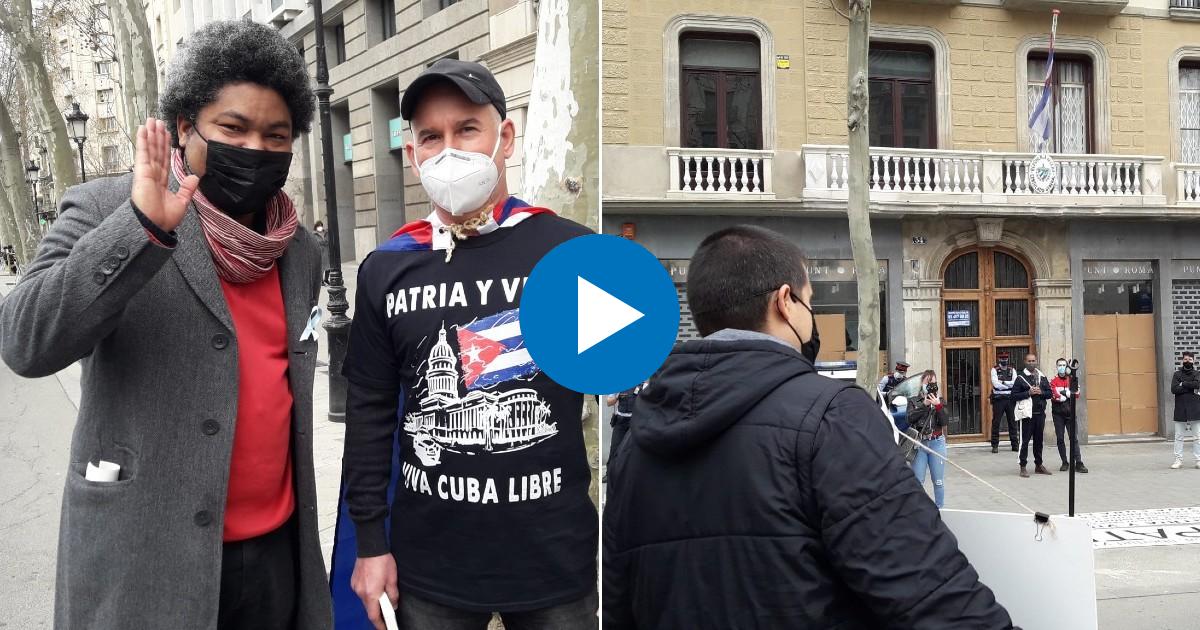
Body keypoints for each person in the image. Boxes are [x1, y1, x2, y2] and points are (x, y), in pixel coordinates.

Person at [0, 20, 331, 630]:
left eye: (275, 135)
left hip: (274, 561)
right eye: (233, 128)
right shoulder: (106, 206)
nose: (255, 149)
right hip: (145, 559)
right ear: (185, 127)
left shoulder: (299, 251)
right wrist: (140, 229)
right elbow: (24, 340)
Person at [602, 225, 1014, 629]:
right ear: (785, 301)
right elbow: (928, 589)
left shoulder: (636, 441)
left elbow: (617, 600)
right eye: (810, 299)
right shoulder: (833, 415)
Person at [338, 59, 597, 630]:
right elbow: (369, 415)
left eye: (467, 129)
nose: (448, 149)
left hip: (556, 564)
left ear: (504, 137)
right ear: (412, 155)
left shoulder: (572, 253)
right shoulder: (387, 268)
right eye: (431, 136)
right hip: (429, 568)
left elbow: (623, 393)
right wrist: (369, 543)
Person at [908, 370, 948, 509]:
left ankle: (940, 510)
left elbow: (944, 422)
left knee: (938, 481)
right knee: (918, 481)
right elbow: (910, 418)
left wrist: (938, 406)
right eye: (927, 383)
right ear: (922, 383)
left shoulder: (941, 401)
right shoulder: (914, 401)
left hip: (937, 443)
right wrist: (924, 405)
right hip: (920, 444)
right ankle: (919, 511)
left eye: (933, 383)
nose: (930, 386)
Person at [1012, 353, 1053, 478]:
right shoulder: (1020, 378)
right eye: (1029, 361)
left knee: (1039, 441)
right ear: (1025, 362)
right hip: (1027, 415)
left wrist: (1041, 392)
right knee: (1024, 442)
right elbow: (1013, 396)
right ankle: (1023, 466)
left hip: (1040, 414)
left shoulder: (1042, 376)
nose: (1031, 363)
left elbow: (1049, 393)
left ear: (1036, 361)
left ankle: (1038, 465)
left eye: (1033, 361)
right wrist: (1028, 392)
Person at [1050, 357, 1087, 473]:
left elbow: (1077, 394)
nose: (1061, 367)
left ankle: (1079, 462)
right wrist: (1066, 394)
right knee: (1060, 438)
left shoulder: (1072, 379)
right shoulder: (1053, 381)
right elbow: (1055, 396)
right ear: (1056, 367)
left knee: (1073, 439)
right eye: (1059, 365)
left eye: (1063, 365)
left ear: (1067, 367)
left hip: (1070, 414)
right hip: (1058, 415)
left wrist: (1064, 393)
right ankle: (1065, 462)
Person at [1169, 352, 1200, 469]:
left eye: (1190, 359)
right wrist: (1190, 387)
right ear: (1182, 360)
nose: (1188, 361)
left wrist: (1183, 384)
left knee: (1197, 436)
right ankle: (1178, 460)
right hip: (1180, 408)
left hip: (1195, 408)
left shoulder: (1197, 373)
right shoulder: (1177, 374)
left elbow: (1197, 385)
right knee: (1178, 436)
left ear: (1194, 361)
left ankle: (1198, 460)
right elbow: (1174, 389)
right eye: (1186, 359)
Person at [606, 382, 644, 466]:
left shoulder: (643, 386)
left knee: (634, 452)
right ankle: (609, 474)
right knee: (614, 449)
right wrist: (617, 396)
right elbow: (608, 402)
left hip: (635, 422)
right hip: (620, 421)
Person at [990, 351, 1018, 453]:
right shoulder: (994, 370)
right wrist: (1008, 385)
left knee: (1012, 421)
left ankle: (1015, 444)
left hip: (1010, 399)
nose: (1004, 360)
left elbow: (1014, 384)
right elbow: (996, 384)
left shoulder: (1012, 370)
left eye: (1005, 358)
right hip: (998, 399)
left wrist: (1003, 382)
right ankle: (995, 445)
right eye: (1002, 358)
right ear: (999, 359)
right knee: (996, 422)